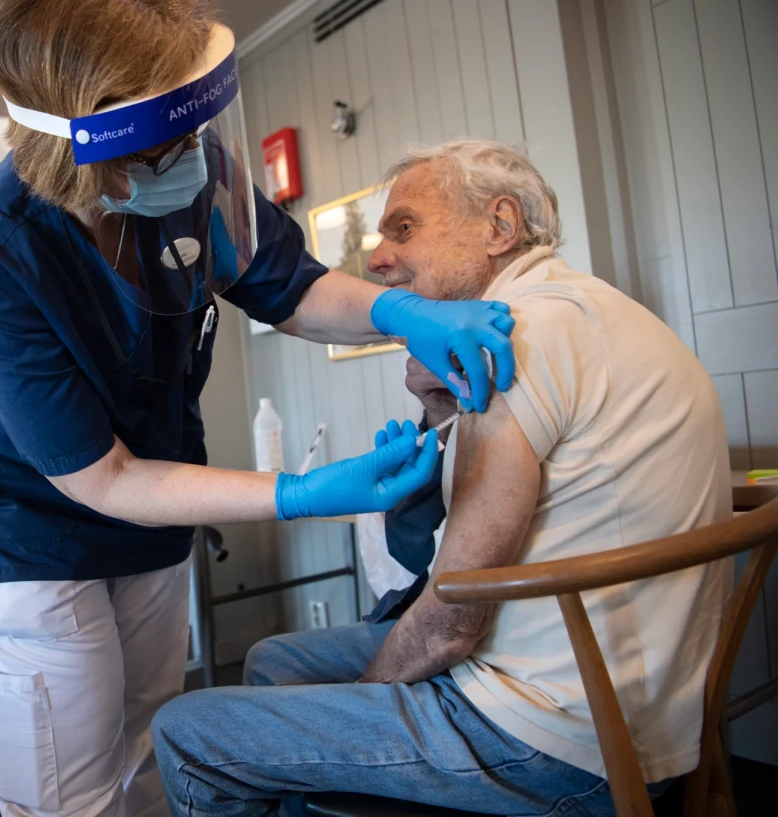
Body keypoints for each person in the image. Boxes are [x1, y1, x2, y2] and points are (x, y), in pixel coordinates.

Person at [0, 1, 518, 813]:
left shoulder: (189, 161)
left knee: (143, 742)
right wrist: (301, 492)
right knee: (68, 784)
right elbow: (102, 477)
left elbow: (292, 289)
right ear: (91, 146)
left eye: (194, 132)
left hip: (156, 504)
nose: (195, 157)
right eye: (168, 143)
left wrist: (396, 312)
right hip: (34, 525)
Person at [151, 140, 733, 817]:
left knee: (187, 731)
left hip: (550, 738)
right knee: (276, 661)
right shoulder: (584, 311)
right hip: (618, 703)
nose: (376, 259)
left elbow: (448, 625)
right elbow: (446, 553)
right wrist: (440, 417)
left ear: (500, 226)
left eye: (404, 228)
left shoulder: (518, 337)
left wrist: (357, 707)